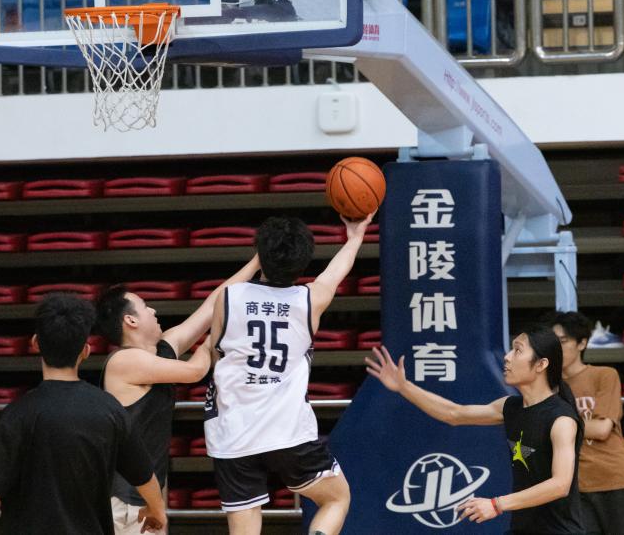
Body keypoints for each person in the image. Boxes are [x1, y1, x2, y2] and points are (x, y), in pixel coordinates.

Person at [205, 213, 374, 535]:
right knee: (336, 499)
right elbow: (334, 273)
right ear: (303, 261)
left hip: (233, 431)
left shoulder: (229, 296)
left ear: (261, 254)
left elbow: (216, 354)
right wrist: (355, 236)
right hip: (287, 429)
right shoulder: (309, 299)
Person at [0, 293, 167, 535]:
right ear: (85, 351)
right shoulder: (110, 410)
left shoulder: (16, 415)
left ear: (36, 343)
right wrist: (157, 511)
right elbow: (145, 476)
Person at [96, 255, 261, 535]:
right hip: (123, 499)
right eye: (145, 306)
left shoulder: (160, 350)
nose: (153, 310)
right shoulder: (124, 360)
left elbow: (213, 304)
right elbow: (195, 371)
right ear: (131, 320)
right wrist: (216, 336)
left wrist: (257, 263)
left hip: (146, 497)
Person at [366, 326, 585, 534]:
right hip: (522, 528)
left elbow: (560, 484)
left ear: (541, 364)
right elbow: (453, 413)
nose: (507, 357)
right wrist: (404, 387)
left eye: (517, 350)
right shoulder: (510, 407)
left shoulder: (561, 419)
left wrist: (496, 504)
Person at [546, 311, 624, 535]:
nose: (556, 349)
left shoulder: (604, 375)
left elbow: (602, 429)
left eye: (563, 342)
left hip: (616, 478)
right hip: (574, 487)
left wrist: (555, 424)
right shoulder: (545, 387)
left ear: (582, 343)